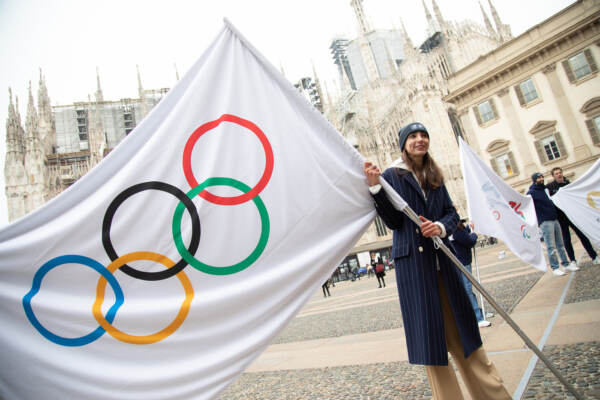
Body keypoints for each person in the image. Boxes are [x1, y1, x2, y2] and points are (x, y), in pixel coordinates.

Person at [364, 122, 511, 399]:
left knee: (466, 336)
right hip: (416, 270)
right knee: (432, 345)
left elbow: (451, 213)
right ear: (403, 143)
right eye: (413, 136)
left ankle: (493, 395)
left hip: (444, 264)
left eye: (424, 136)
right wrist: (375, 189)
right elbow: (394, 221)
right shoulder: (392, 175)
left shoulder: (435, 175)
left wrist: (440, 227)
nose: (420, 140)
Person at [546, 167, 599, 266]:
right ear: (553, 176)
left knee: (583, 236)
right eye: (556, 173)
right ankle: (573, 261)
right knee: (567, 239)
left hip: (572, 215)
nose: (559, 174)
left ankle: (594, 256)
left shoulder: (568, 184)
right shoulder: (549, 187)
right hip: (561, 217)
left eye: (560, 172)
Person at [527, 172, 573, 276]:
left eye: (542, 177)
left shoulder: (545, 189)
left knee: (560, 244)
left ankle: (566, 264)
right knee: (550, 246)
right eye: (539, 178)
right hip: (545, 221)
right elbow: (529, 206)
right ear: (534, 180)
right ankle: (555, 267)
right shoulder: (531, 192)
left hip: (554, 219)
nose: (541, 179)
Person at [450, 219, 491, 328]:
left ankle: (477, 312)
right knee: (467, 290)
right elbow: (469, 241)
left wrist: (469, 227)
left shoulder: (454, 225)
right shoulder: (454, 227)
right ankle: (478, 317)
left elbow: (462, 234)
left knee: (466, 289)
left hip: (460, 261)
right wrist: (474, 234)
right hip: (462, 262)